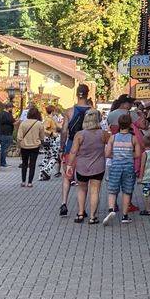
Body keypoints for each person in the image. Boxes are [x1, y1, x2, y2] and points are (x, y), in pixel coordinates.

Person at [69, 109, 110, 224]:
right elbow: (111, 146)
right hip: (98, 167)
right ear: (98, 120)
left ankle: (80, 214)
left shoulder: (79, 135)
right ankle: (93, 217)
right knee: (95, 191)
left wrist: (69, 165)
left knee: (81, 189)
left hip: (82, 167)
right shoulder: (104, 134)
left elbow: (73, 152)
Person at [103, 112, 142, 225]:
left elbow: (107, 154)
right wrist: (128, 155)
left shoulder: (113, 138)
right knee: (127, 191)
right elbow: (138, 154)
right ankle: (125, 216)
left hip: (115, 167)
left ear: (119, 124)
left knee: (112, 189)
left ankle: (111, 209)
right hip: (128, 167)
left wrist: (116, 156)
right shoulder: (133, 138)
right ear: (130, 124)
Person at [60, 83, 91, 217]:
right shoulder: (93, 112)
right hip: (86, 147)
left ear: (77, 94)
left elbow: (64, 131)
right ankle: (81, 208)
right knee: (83, 181)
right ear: (88, 94)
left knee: (67, 176)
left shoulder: (69, 111)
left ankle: (64, 203)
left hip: (71, 145)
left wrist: (61, 147)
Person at [16, 104, 45, 187]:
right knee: (32, 164)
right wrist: (41, 143)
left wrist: (18, 145)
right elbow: (42, 136)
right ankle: (30, 182)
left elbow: (19, 137)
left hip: (24, 146)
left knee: (24, 164)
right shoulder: (39, 124)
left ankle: (23, 181)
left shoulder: (23, 123)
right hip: (35, 146)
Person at [38, 108, 62, 181]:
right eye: (54, 111)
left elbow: (59, 127)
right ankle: (47, 170)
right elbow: (43, 129)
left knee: (46, 157)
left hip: (48, 140)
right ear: (52, 111)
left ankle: (41, 175)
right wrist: (52, 133)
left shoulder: (51, 119)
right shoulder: (49, 120)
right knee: (55, 157)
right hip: (50, 140)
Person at [0, 102, 15, 168]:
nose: (12, 109)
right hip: (6, 134)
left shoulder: (0, 113)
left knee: (3, 148)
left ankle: (2, 162)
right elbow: (13, 122)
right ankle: (3, 163)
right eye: (12, 108)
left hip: (1, 133)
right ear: (9, 108)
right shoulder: (8, 115)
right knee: (4, 149)